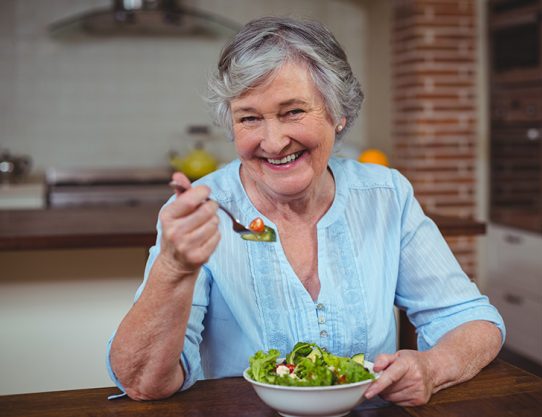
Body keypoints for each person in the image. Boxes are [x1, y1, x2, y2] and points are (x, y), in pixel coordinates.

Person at [107, 16, 505, 406]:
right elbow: (143, 382)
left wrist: (433, 367)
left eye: (293, 112)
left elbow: (472, 321)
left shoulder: (386, 196)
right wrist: (173, 268)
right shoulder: (202, 209)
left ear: (338, 113)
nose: (274, 141)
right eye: (249, 118)